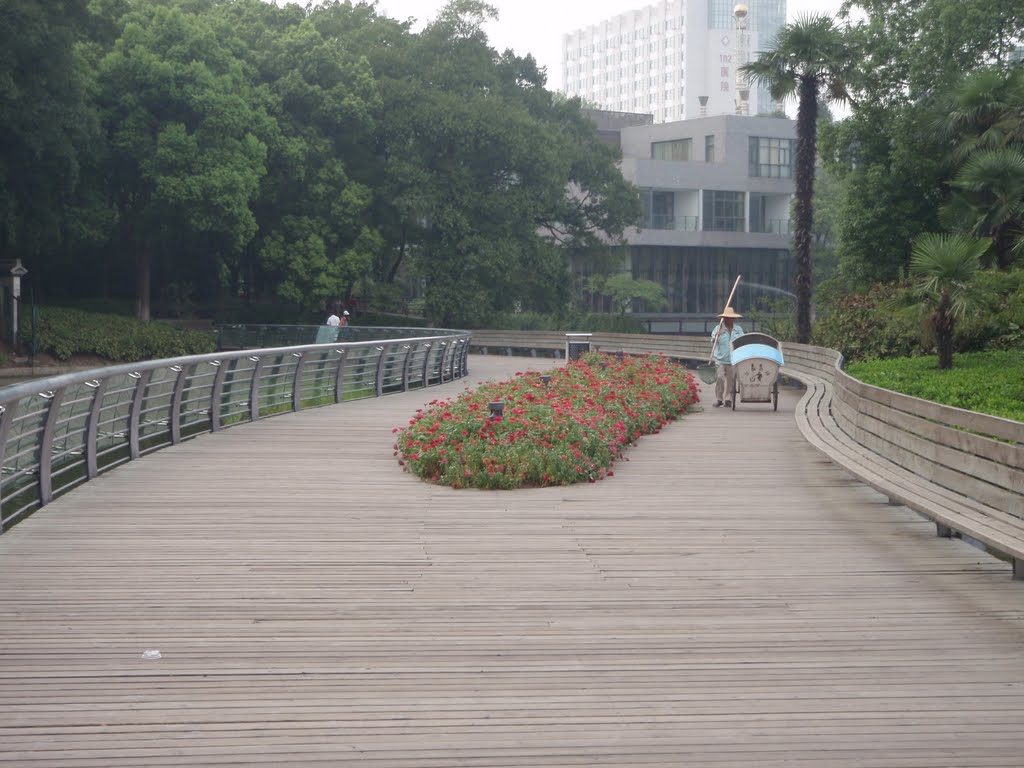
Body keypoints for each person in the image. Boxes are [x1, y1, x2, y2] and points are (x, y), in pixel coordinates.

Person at [710, 306, 744, 408]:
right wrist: (718, 334)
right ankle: (719, 399)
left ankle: (728, 399)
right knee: (720, 378)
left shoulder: (738, 330)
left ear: (733, 318)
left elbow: (742, 340)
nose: (729, 319)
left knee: (731, 380)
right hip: (720, 359)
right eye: (727, 317)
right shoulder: (718, 328)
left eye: (731, 317)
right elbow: (712, 340)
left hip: (733, 359)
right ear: (724, 318)